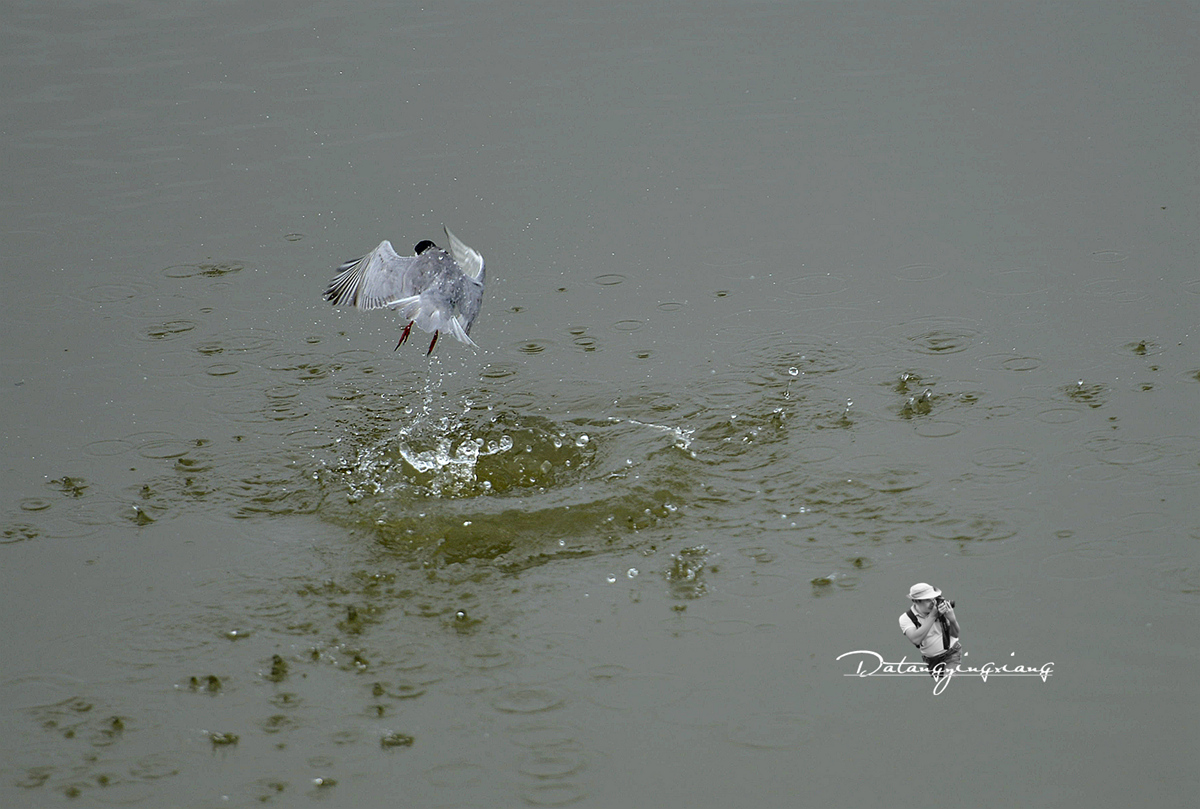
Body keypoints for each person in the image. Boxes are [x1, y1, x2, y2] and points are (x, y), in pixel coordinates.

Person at [899, 582, 962, 680]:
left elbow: (955, 634)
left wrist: (952, 619)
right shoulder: (906, 618)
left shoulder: (941, 609)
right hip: (931, 660)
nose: (933, 602)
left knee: (948, 681)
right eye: (928, 599)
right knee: (939, 685)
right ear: (915, 601)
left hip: (951, 652)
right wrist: (933, 616)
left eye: (934, 598)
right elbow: (915, 640)